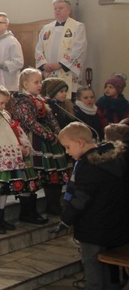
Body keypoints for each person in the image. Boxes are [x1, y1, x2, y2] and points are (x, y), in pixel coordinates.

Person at [56, 122, 129, 290]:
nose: (67, 152)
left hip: (93, 227)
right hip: (115, 224)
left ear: (80, 143)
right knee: (109, 267)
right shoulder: (113, 158)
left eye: (68, 147)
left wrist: (66, 219)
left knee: (92, 263)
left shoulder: (88, 165)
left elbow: (81, 199)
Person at [0, 85, 40, 234]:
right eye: (1, 102)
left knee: (4, 188)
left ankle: (0, 217)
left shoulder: (3, 113)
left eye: (5, 103)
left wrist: (23, 145)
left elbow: (15, 130)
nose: (4, 106)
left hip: (8, 157)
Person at [10, 68, 70, 221]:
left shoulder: (40, 100)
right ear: (25, 84)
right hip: (34, 139)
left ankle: (53, 204)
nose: (40, 85)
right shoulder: (21, 100)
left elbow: (51, 118)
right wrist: (48, 135)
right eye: (36, 82)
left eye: (41, 82)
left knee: (53, 171)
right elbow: (29, 121)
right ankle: (28, 211)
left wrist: (58, 133)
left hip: (48, 140)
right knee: (33, 174)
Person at [35, 0, 87, 96]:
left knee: (66, 101)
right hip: (49, 71)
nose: (57, 10)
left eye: (61, 8)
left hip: (66, 71)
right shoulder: (46, 28)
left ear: (68, 10)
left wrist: (60, 64)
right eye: (55, 8)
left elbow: (79, 49)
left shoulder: (77, 27)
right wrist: (44, 64)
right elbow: (39, 48)